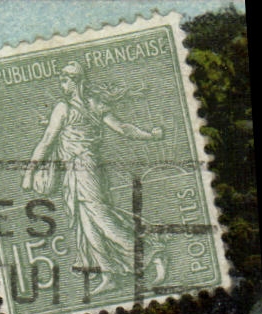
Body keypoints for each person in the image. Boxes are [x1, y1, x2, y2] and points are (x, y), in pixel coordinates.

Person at [22, 61, 166, 296]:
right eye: (61, 79)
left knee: (102, 219)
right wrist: (150, 135)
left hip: (85, 169)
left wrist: (29, 173)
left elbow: (48, 141)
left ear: (77, 81)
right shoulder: (85, 105)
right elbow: (121, 128)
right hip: (74, 172)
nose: (63, 83)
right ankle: (109, 274)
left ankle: (152, 254)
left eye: (66, 79)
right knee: (86, 224)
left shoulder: (68, 107)